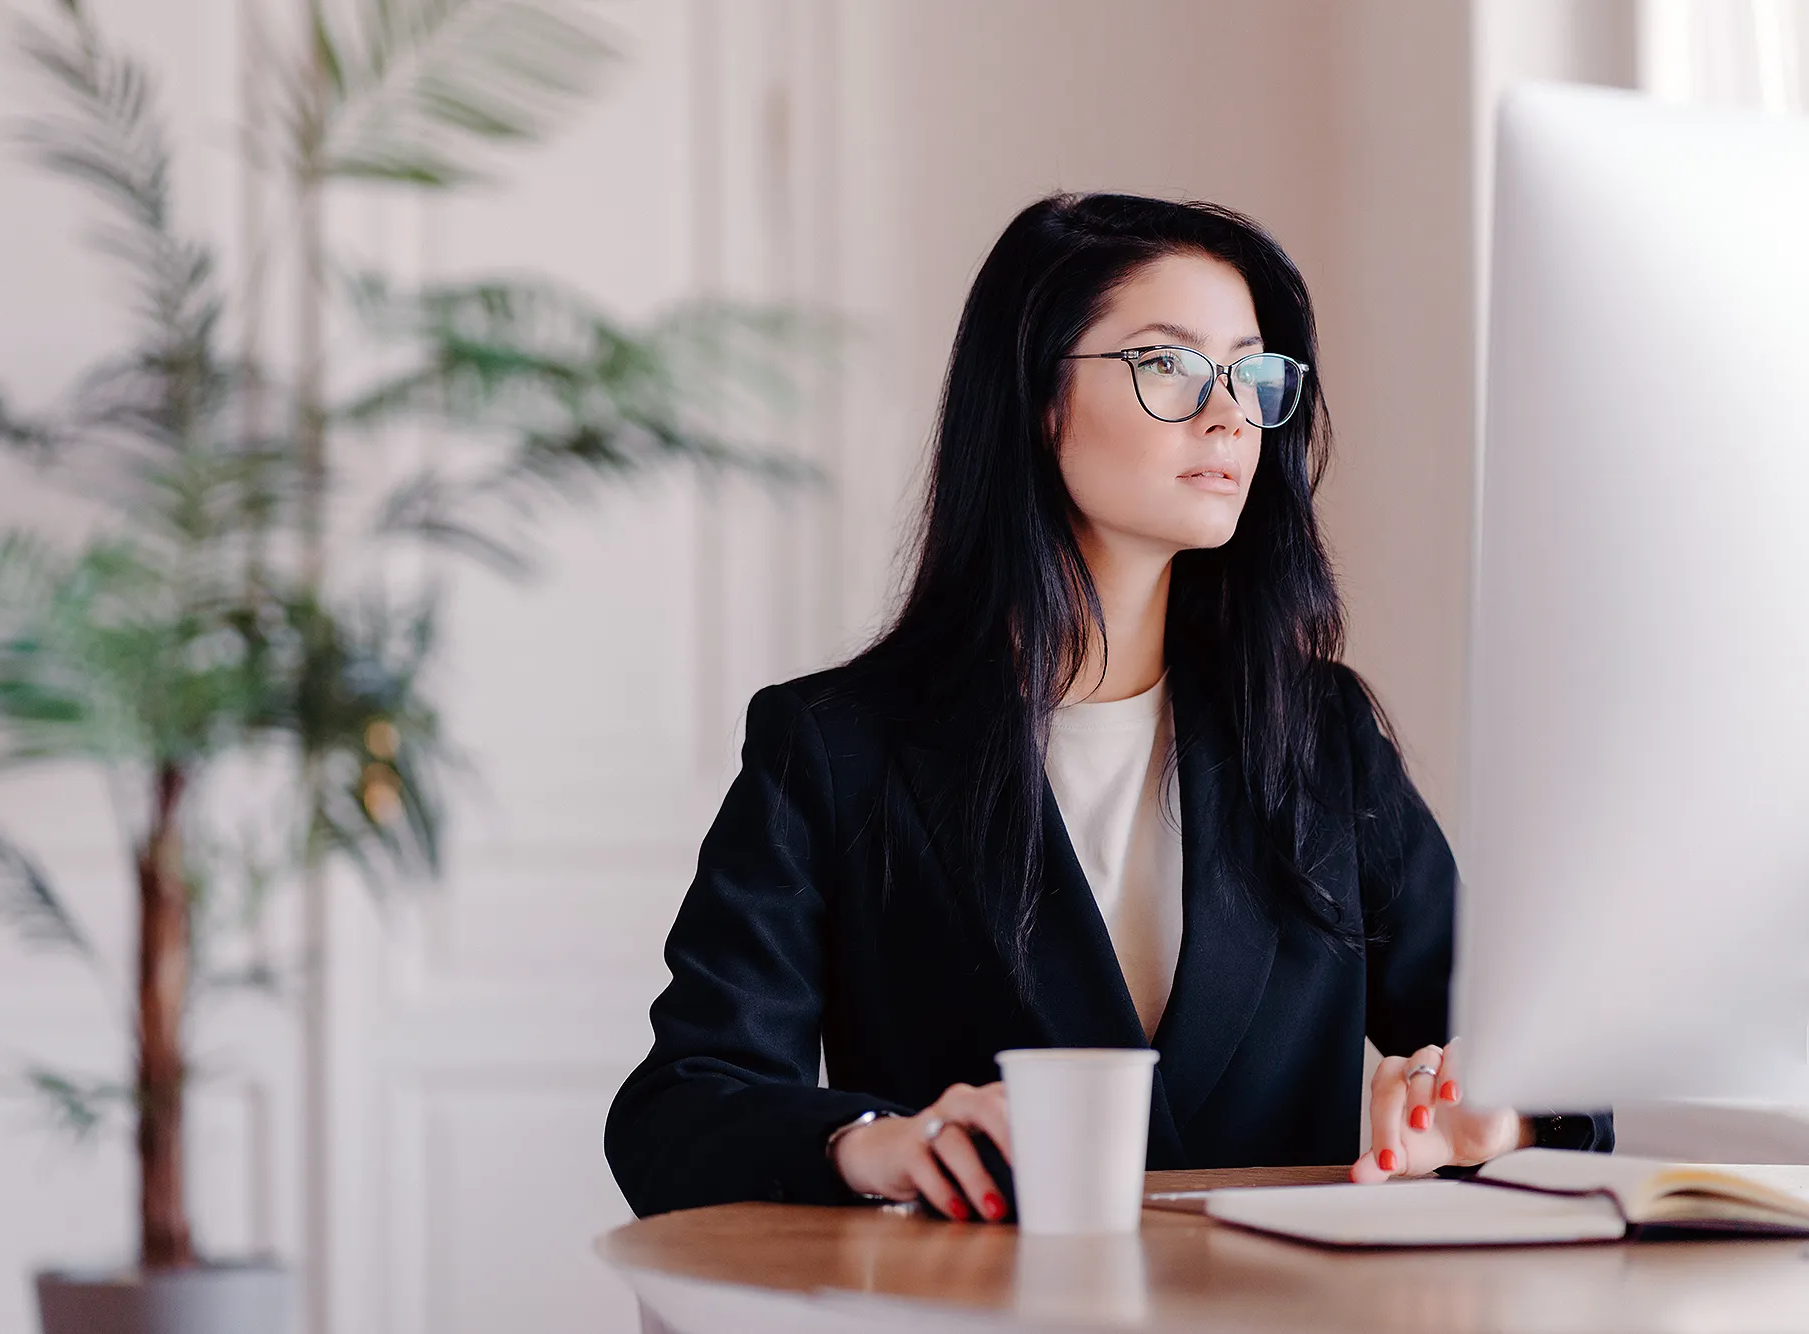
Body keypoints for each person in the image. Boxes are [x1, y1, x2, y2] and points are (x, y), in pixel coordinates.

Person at [604, 193, 1611, 1223]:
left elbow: (1550, 1059)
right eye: (1167, 364)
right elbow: (677, 1107)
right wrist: (877, 1143)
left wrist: (1492, 1116)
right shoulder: (835, 747)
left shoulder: (1318, 734)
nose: (1228, 413)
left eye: (1250, 372)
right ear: (1039, 398)